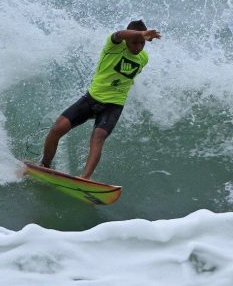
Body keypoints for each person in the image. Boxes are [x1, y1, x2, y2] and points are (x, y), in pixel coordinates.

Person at [40, 20, 161, 179]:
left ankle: (85, 178)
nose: (138, 47)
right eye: (134, 42)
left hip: (113, 105)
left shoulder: (144, 58)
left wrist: (140, 37)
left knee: (98, 138)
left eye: (141, 43)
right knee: (57, 129)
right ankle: (44, 165)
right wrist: (141, 34)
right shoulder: (114, 46)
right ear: (126, 40)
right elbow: (119, 34)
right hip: (91, 99)